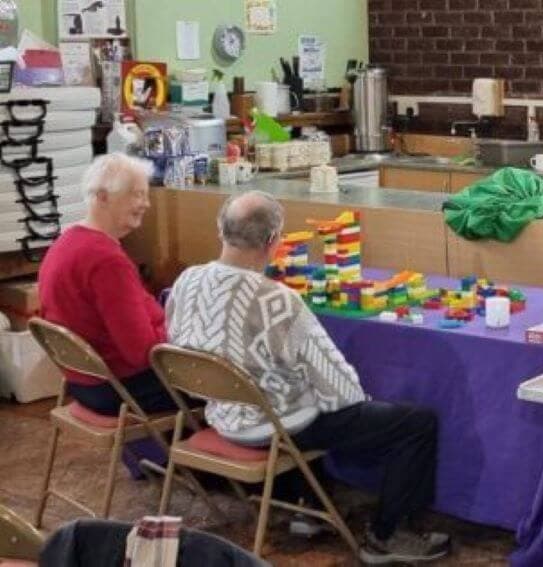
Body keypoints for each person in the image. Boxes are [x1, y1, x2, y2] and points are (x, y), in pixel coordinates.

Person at [165, 191, 449, 565]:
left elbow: (176, 342)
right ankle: (386, 535)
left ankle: (308, 507)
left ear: (221, 230)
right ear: (272, 243)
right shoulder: (277, 300)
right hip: (273, 425)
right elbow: (343, 391)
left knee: (298, 387)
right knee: (416, 423)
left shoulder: (187, 280)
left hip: (221, 414)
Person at [38, 153, 178, 416]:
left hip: (83, 382)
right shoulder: (106, 260)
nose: (146, 204)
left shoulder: (67, 240)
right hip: (119, 388)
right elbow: (142, 352)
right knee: (229, 387)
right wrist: (182, 331)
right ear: (103, 197)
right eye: (137, 195)